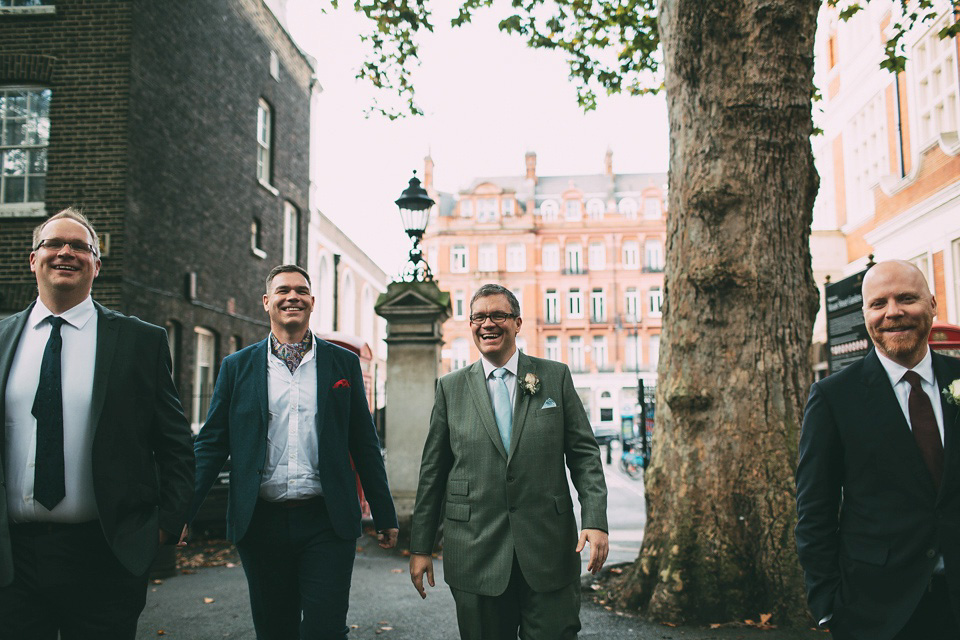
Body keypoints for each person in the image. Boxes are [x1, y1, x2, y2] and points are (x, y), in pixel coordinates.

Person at [0, 208, 195, 640]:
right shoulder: (1, 339)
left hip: (106, 556)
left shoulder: (139, 341)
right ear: (33, 259)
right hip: (13, 561)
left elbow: (175, 442)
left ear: (97, 265)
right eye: (53, 244)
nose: (65, 252)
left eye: (80, 246)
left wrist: (165, 523)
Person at [190, 264, 399, 640]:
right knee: (274, 629)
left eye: (301, 291)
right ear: (267, 302)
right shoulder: (237, 367)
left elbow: (364, 442)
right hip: (261, 523)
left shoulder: (343, 363)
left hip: (326, 520)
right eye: (283, 290)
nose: (293, 297)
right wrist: (182, 511)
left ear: (312, 302)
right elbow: (211, 443)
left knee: (325, 629)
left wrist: (385, 513)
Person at [409, 283, 609, 640]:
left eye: (498, 315)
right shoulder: (450, 388)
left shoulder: (555, 377)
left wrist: (595, 519)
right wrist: (421, 546)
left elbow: (584, 455)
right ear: (470, 325)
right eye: (479, 317)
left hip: (549, 549)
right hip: (475, 553)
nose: (488, 323)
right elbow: (433, 473)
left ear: (517, 323)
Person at [796, 259, 960, 640]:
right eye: (878, 303)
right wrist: (827, 607)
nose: (893, 313)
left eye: (907, 298)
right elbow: (815, 511)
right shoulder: (833, 398)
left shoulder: (958, 379)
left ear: (933, 304)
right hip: (877, 612)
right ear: (865, 314)